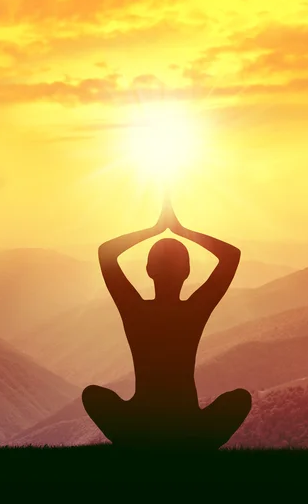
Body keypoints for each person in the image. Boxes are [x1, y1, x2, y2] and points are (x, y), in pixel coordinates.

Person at [82, 192, 252, 450]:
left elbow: (106, 253)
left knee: (93, 395)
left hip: (140, 421)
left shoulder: (134, 309)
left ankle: (136, 441)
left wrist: (154, 230)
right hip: (187, 423)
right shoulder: (194, 310)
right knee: (240, 399)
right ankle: (193, 444)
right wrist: (182, 231)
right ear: (187, 272)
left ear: (148, 270)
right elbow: (231, 256)